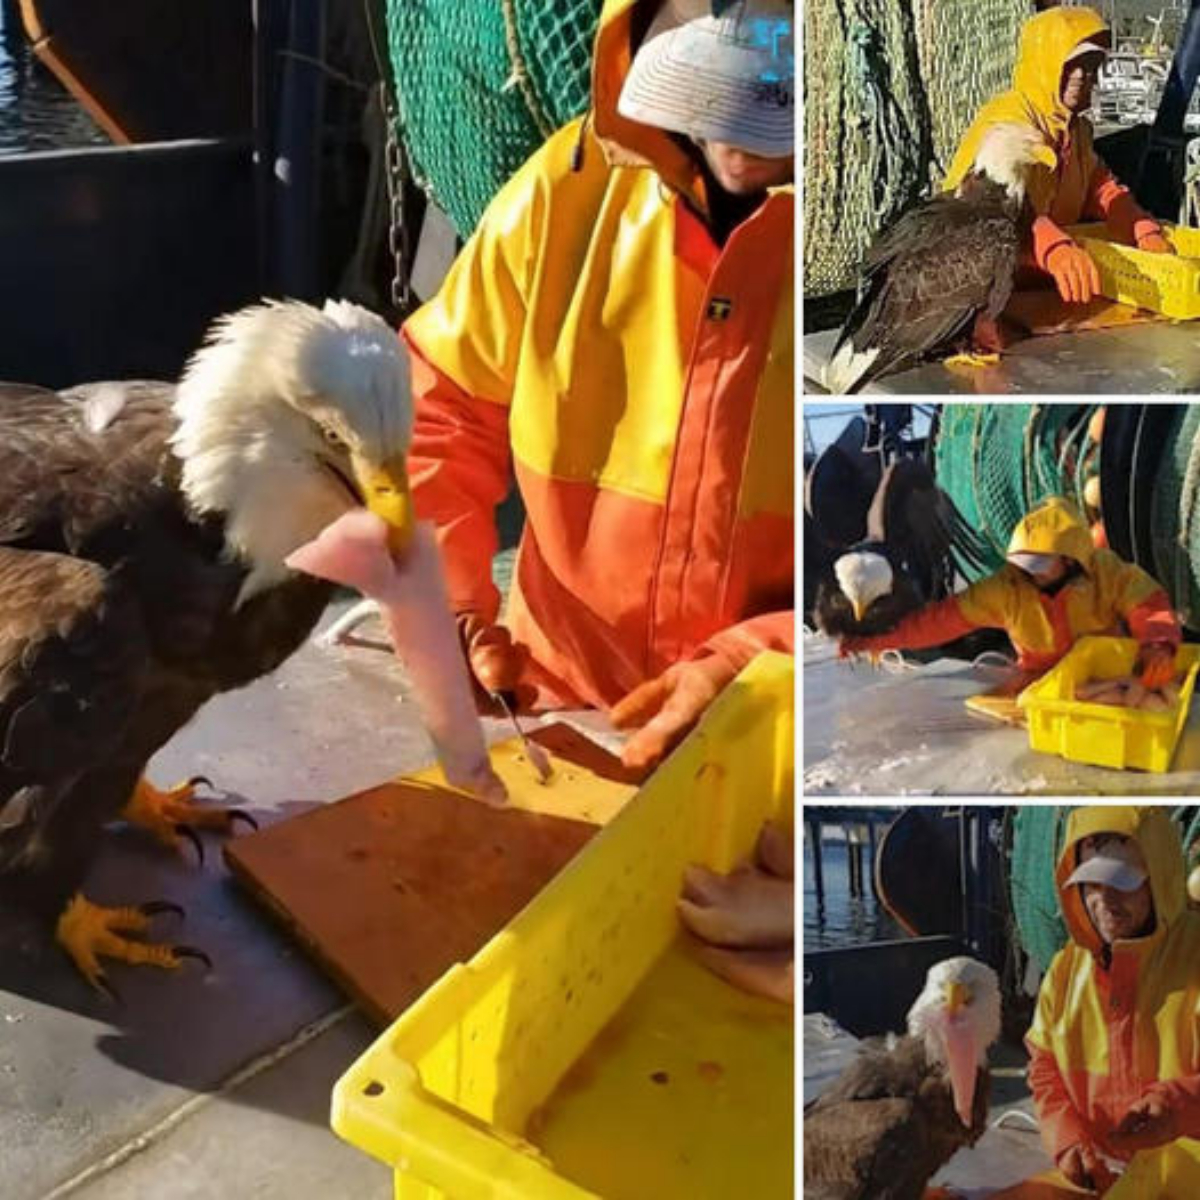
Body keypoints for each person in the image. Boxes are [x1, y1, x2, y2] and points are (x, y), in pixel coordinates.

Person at [401, 0, 794, 774]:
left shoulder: (875, 237)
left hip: (763, 734)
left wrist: (758, 656)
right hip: (555, 709)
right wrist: (449, 608)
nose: (739, 143)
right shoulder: (562, 187)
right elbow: (436, 405)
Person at [944, 5, 1174, 310]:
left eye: (1092, 64)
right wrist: (1052, 248)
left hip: (1038, 286)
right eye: (1071, 64)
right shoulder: (1008, 121)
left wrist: (1140, 227)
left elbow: (1099, 185)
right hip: (975, 293)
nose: (1083, 75)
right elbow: (985, 210)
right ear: (1044, 63)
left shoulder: (1077, 130)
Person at [1026, 807, 1200, 1191]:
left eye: (1123, 883)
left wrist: (1176, 1108)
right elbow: (1044, 1066)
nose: (1104, 899)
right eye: (1091, 884)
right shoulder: (1064, 970)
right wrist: (1067, 1140)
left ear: (1160, 881)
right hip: (1105, 1181)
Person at [840, 497, 1180, 686]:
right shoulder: (1004, 590)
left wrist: (1157, 645)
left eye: (1040, 564)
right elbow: (939, 622)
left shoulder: (1108, 573)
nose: (1028, 573)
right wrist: (875, 639)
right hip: (1040, 685)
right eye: (1024, 561)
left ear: (1071, 558)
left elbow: (1149, 606)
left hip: (1111, 677)